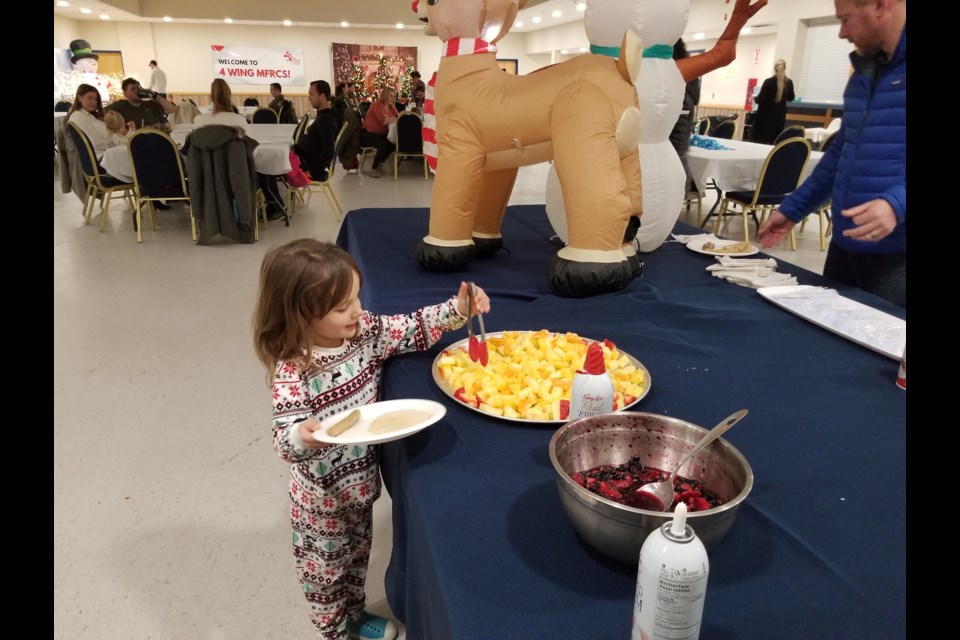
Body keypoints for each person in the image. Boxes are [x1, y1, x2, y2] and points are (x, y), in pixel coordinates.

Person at [251, 239, 490, 640]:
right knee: (327, 575)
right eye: (342, 307)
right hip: (321, 500)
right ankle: (333, 632)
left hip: (362, 486)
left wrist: (457, 310)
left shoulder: (365, 333)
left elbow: (411, 328)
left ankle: (356, 614)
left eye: (356, 297)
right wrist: (301, 435)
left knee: (358, 557)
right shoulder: (294, 368)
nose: (358, 310)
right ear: (301, 314)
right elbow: (283, 437)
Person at [757, 0, 906, 309]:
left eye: (845, 20)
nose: (841, 33)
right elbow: (841, 152)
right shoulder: (864, 72)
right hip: (844, 246)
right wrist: (793, 208)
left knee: (881, 353)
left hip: (896, 258)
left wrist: (896, 203)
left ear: (879, 6)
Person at [668, 39, 701, 193]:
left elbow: (678, 135)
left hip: (672, 167)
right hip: (675, 163)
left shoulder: (681, 90)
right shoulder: (685, 83)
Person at [293, 80, 340, 182]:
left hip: (305, 164)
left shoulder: (326, 120)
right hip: (302, 159)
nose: (309, 98)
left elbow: (328, 151)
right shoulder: (324, 115)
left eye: (312, 94)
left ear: (322, 96)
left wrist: (313, 172)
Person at [751, 59, 796, 144]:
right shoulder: (789, 83)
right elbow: (791, 98)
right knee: (774, 142)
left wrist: (755, 98)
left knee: (761, 142)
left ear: (775, 68)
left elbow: (761, 99)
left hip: (764, 118)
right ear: (784, 68)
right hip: (779, 118)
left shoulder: (768, 82)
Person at [107, 78, 177, 128]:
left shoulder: (150, 104)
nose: (137, 91)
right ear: (125, 94)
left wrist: (154, 95)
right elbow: (101, 113)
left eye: (138, 88)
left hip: (153, 139)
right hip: (133, 140)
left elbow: (173, 110)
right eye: (132, 89)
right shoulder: (121, 105)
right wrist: (121, 129)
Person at [360, 87, 399, 178]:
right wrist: (397, 116)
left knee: (393, 143)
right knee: (383, 145)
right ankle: (374, 169)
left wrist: (393, 107)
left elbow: (398, 117)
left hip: (379, 134)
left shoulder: (389, 107)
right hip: (367, 134)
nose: (392, 99)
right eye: (390, 96)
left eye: (393, 96)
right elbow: (384, 121)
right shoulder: (377, 105)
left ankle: (380, 162)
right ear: (385, 95)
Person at [67, 84, 111, 159]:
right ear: (79, 98)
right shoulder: (78, 116)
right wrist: (116, 142)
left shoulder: (91, 116)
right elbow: (95, 143)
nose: (94, 102)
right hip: (102, 156)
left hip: (108, 150)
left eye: (96, 99)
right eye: (90, 98)